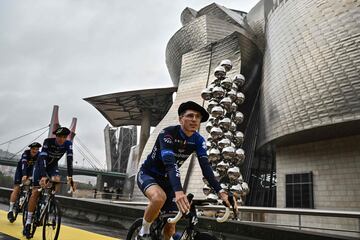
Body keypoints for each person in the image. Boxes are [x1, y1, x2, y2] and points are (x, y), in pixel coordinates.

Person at [136, 101, 232, 240]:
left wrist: (221, 193)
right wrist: (179, 191)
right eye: (190, 115)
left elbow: (206, 169)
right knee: (158, 198)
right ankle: (143, 232)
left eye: (198, 117)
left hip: (168, 181)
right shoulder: (167, 133)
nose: (194, 119)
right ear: (181, 119)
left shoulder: (198, 140)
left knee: (171, 225)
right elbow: (170, 163)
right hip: (149, 175)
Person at [23, 127, 75, 238]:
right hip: (41, 165)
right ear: (55, 136)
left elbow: (70, 160)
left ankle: (49, 201)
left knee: (56, 180)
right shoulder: (48, 142)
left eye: (64, 137)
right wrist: (42, 176)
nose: (62, 139)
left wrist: (70, 177)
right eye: (60, 137)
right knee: (36, 191)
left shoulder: (68, 144)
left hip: (53, 166)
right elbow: (42, 159)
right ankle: (28, 222)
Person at [7, 142, 41, 223]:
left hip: (31, 172)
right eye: (33, 149)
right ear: (30, 149)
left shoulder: (39, 155)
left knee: (34, 188)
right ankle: (11, 210)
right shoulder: (26, 154)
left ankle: (26, 199)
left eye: (37, 149)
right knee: (17, 187)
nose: (35, 151)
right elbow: (24, 164)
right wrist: (24, 174)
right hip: (21, 171)